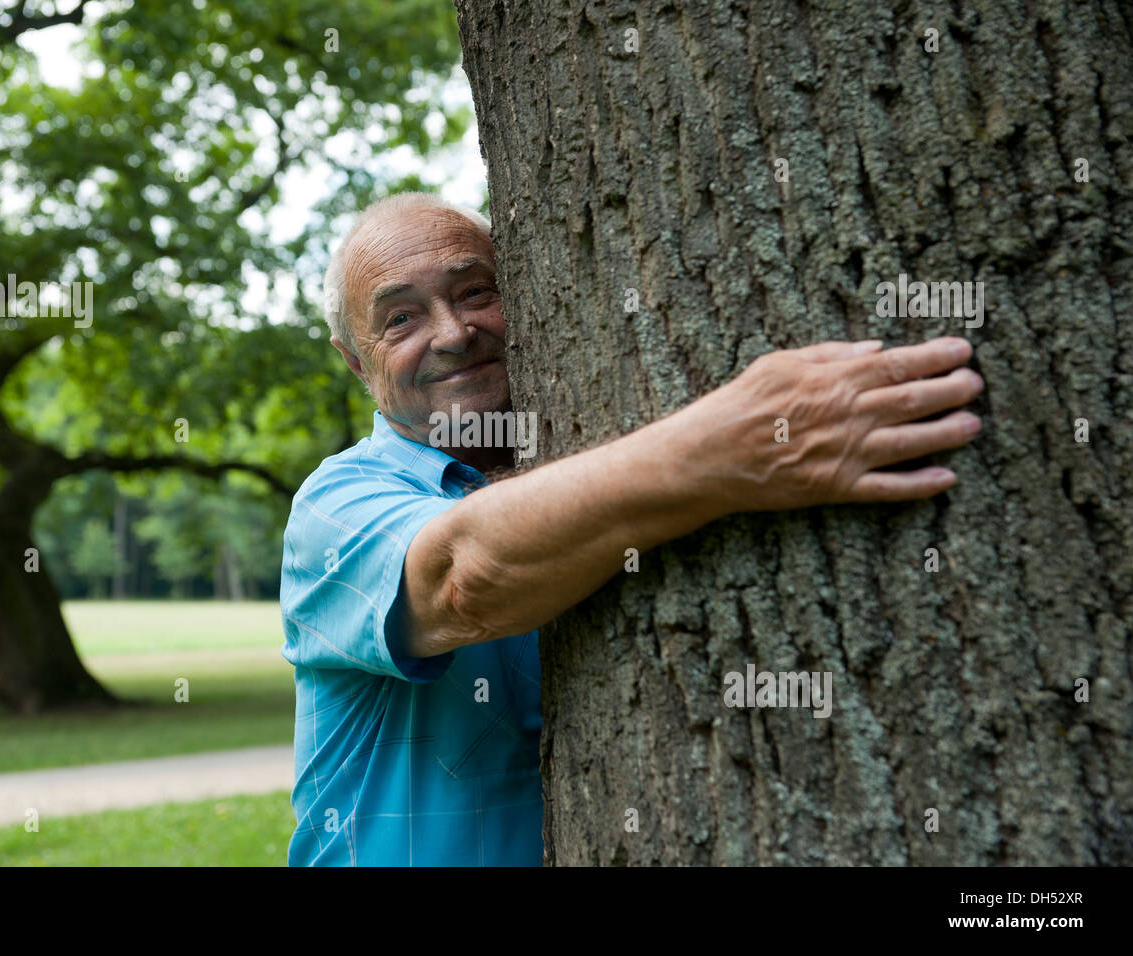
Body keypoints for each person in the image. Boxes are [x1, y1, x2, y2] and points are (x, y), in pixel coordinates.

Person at [280, 192, 985, 866]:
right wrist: (731, 444)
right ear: (356, 359)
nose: (455, 333)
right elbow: (466, 575)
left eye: (475, 291)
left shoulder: (579, 458)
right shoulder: (335, 504)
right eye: (401, 318)